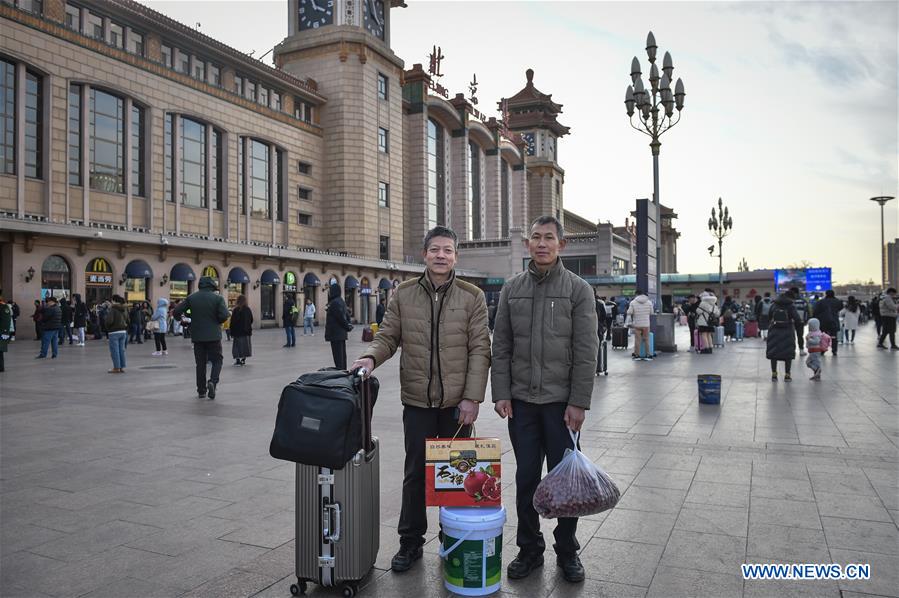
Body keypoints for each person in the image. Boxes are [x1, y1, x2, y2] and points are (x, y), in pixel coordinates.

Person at [351, 225, 491, 573]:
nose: (441, 256)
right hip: (416, 402)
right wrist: (370, 357)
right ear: (425, 254)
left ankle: (453, 537)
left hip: (458, 406)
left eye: (447, 250)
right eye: (435, 250)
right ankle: (410, 542)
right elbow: (388, 336)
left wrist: (472, 398)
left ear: (455, 256)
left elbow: (480, 349)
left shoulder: (472, 296)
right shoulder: (404, 293)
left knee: (457, 476)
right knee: (414, 473)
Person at [492, 216, 597, 584]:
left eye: (548, 238)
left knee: (565, 480)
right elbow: (501, 344)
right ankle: (529, 549)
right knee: (525, 478)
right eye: (535, 237)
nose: (541, 243)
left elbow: (586, 350)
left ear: (561, 245)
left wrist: (579, 402)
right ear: (528, 244)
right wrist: (501, 392)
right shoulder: (511, 288)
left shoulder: (578, 289)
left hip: (560, 405)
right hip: (521, 404)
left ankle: (567, 551)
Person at [173, 276, 229, 399]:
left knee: (200, 363)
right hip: (214, 335)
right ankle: (213, 382)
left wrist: (182, 321)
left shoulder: (192, 298)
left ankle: (201, 390)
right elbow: (225, 315)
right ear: (212, 286)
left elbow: (176, 311)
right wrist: (217, 321)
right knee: (217, 360)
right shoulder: (218, 298)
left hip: (197, 336)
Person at [766, 291, 800, 381]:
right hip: (788, 330)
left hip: (774, 330)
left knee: (774, 353)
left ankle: (774, 374)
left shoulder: (774, 305)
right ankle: (787, 375)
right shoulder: (791, 306)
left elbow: (769, 317)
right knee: (788, 353)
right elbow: (797, 318)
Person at [324, 282, 353, 370]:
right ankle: (343, 371)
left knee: (338, 357)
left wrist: (347, 326)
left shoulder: (335, 303)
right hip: (341, 333)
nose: (329, 292)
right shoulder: (341, 301)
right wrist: (348, 325)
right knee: (342, 355)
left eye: (330, 290)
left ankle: (341, 373)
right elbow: (347, 315)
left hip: (336, 333)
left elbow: (340, 317)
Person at [812, 290, 842, 356]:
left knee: (823, 336)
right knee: (834, 337)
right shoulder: (837, 302)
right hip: (834, 321)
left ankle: (823, 350)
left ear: (826, 294)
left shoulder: (821, 302)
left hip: (823, 322)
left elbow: (816, 311)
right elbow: (840, 308)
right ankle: (834, 350)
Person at [105, 295, 129, 373]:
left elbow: (109, 321)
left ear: (114, 301)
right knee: (121, 350)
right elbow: (128, 319)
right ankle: (122, 367)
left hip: (114, 332)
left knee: (114, 350)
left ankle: (116, 367)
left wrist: (107, 327)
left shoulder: (113, 309)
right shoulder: (124, 309)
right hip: (123, 331)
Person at [626, 291, 653, 360]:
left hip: (637, 324)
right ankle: (648, 354)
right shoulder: (649, 302)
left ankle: (637, 355)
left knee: (637, 340)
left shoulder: (633, 302)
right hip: (646, 324)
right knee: (647, 340)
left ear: (637, 294)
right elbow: (651, 312)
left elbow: (629, 312)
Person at [230, 294, 254, 366]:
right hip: (246, 331)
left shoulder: (236, 310)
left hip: (237, 332)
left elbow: (233, 321)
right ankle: (243, 359)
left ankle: (237, 360)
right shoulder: (248, 309)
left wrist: (231, 331)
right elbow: (251, 320)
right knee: (245, 346)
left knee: (237, 346)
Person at [790, 287, 809, 356]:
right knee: (800, 336)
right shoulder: (803, 300)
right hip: (800, 321)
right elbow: (806, 311)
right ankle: (801, 350)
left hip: (791, 321)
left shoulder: (789, 300)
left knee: (791, 336)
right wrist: (806, 320)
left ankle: (792, 350)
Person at [0, 291, 13, 372]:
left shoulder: (3, 307)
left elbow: (6, 321)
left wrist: (4, 333)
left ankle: (1, 367)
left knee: (0, 351)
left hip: (1, 332)